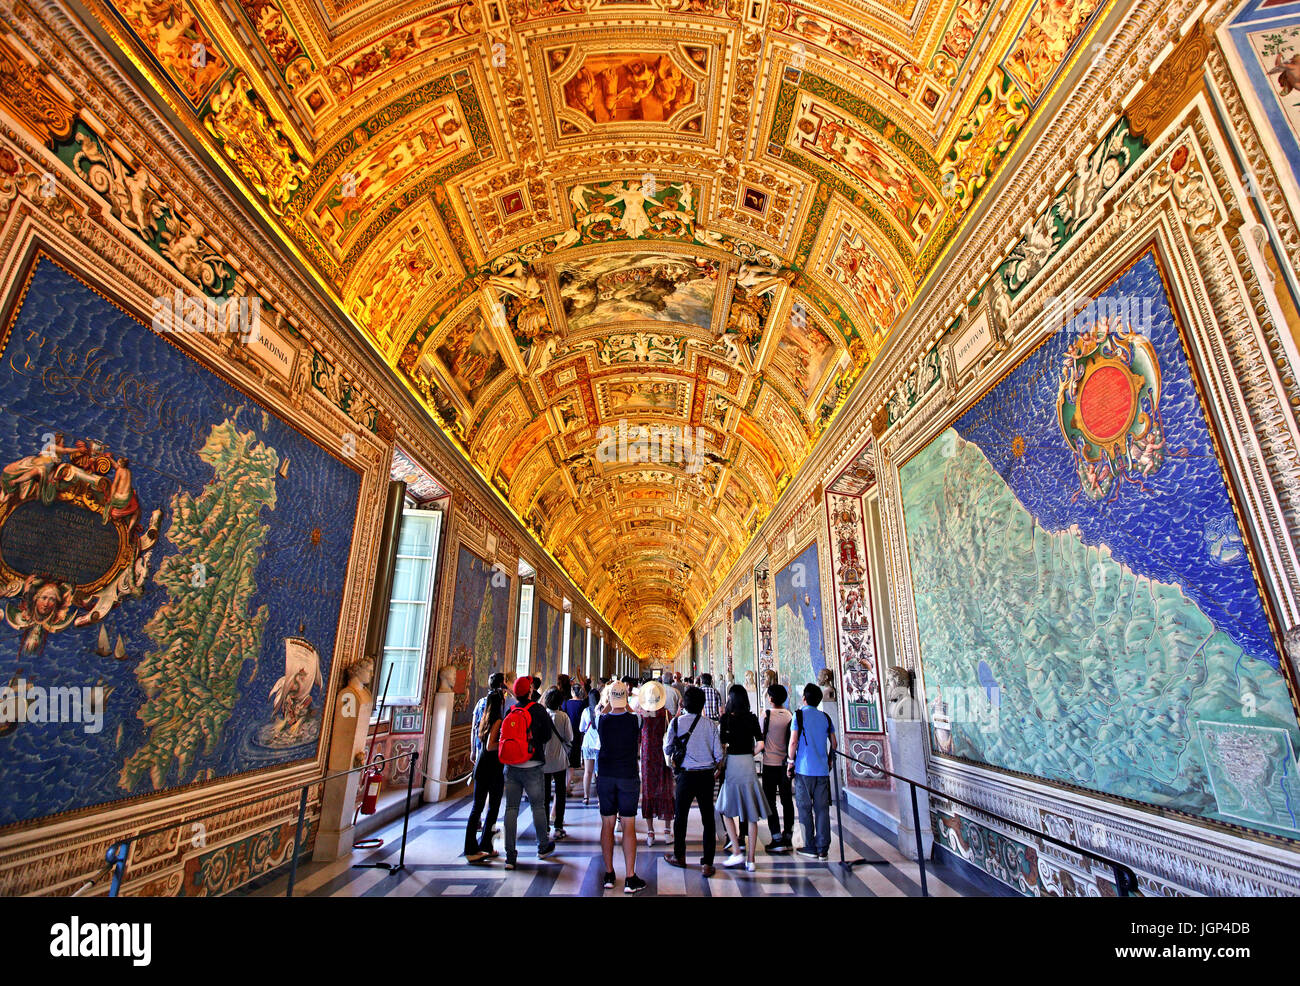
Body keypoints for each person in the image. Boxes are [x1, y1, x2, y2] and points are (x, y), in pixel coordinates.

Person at [662, 686, 723, 876]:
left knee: (681, 818)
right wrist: (716, 768)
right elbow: (719, 754)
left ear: (684, 704)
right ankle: (707, 863)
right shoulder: (711, 725)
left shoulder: (676, 723)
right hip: (705, 776)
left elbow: (667, 749)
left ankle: (679, 856)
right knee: (708, 820)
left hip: (685, 776)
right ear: (703, 704)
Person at [596, 679, 646, 893]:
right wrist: (624, 701)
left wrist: (612, 699)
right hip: (628, 776)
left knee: (607, 824)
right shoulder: (635, 721)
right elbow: (633, 712)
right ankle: (630, 876)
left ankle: (609, 874)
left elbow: (604, 712)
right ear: (626, 698)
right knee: (628, 825)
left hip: (605, 775)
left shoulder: (602, 721)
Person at [502, 676, 556, 869]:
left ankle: (509, 855)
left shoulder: (511, 710)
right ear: (530, 691)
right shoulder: (538, 710)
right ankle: (542, 846)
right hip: (532, 765)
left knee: (511, 809)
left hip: (511, 767)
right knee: (538, 807)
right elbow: (547, 735)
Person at [715, 685, 765, 871]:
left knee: (727, 810)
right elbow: (760, 743)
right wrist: (750, 753)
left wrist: (720, 763)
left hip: (734, 764)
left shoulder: (726, 719)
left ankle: (736, 851)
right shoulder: (752, 718)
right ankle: (751, 860)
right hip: (748, 764)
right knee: (751, 814)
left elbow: (721, 746)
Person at [789, 682, 837, 861]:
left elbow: (793, 742)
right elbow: (834, 743)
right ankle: (823, 848)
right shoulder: (825, 717)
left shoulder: (799, 715)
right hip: (822, 770)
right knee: (822, 809)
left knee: (804, 807)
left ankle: (809, 845)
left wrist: (790, 761)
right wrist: (830, 760)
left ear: (804, 698)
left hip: (803, 768)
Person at [464, 689, 505, 862]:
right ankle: (481, 846)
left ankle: (474, 847)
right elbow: (490, 745)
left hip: (481, 766)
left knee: (477, 808)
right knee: (492, 808)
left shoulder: (484, 719)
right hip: (491, 767)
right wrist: (504, 743)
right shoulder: (497, 720)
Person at [634, 681, 674, 847]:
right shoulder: (666, 714)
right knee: (665, 790)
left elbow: (637, 740)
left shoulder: (641, 715)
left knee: (648, 791)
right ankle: (666, 831)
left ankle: (650, 832)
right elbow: (672, 735)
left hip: (647, 757)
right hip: (664, 757)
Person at [759, 684, 794, 853]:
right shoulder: (790, 715)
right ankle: (788, 835)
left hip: (769, 764)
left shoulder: (765, 715)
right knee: (787, 800)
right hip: (785, 764)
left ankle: (776, 837)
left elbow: (759, 737)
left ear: (770, 698)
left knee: (770, 800)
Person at [542, 687, 574, 840]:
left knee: (544, 794)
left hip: (543, 760)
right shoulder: (563, 717)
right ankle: (558, 826)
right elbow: (569, 737)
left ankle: (544, 826)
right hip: (559, 760)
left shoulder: (541, 716)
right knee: (560, 793)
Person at [471, 672, 506, 763]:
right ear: (502, 684)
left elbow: (474, 728)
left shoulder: (480, 702)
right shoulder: (502, 703)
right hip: (492, 754)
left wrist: (473, 750)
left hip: (480, 746)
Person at [562, 680, 586, 796]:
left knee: (565, 761)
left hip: (565, 735)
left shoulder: (566, 704)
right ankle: (567, 786)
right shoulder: (583, 704)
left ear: (572, 692)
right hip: (577, 736)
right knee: (572, 764)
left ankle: (563, 785)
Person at [579, 686, 601, 805]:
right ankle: (599, 798)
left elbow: (581, 728)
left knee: (587, 772)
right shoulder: (602, 711)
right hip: (598, 744)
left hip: (587, 744)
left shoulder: (586, 711)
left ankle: (586, 797)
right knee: (598, 773)